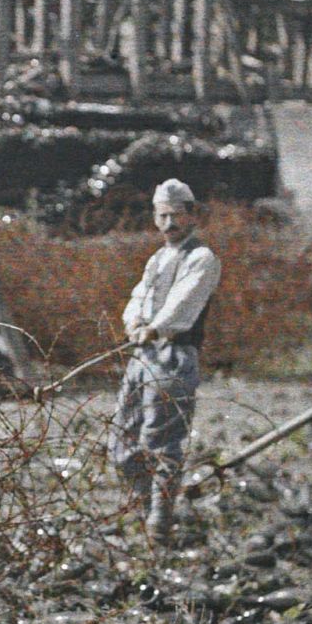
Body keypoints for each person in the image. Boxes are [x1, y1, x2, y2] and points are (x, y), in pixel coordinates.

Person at [109, 178, 223, 546]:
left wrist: (156, 329)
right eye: (162, 216)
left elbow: (184, 305)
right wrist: (135, 323)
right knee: (123, 441)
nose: (169, 223)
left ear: (191, 215)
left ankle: (160, 519)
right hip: (142, 356)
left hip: (174, 355)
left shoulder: (202, 259)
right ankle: (144, 507)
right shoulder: (157, 259)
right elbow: (137, 297)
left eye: (176, 215)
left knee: (162, 442)